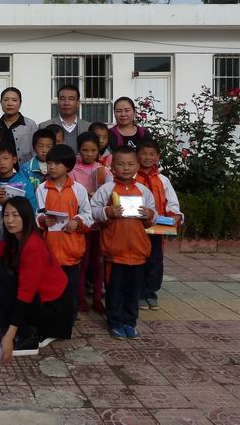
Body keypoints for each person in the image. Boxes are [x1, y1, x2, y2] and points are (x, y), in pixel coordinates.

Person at [0, 197, 74, 361]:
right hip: (38, 299)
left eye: (15, 215)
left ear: (26, 216)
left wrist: (10, 335)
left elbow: (25, 293)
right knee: (0, 276)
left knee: (1, 278)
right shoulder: (15, 239)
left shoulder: (33, 244)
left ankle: (27, 337)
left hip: (54, 308)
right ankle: (23, 328)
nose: (10, 221)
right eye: (6, 215)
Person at [91, 146, 157, 340]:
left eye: (130, 164)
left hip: (138, 252)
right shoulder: (106, 189)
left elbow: (153, 215)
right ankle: (115, 323)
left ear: (137, 166)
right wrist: (107, 212)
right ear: (112, 167)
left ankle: (130, 322)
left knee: (133, 291)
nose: (126, 168)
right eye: (121, 164)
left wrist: (149, 214)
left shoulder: (143, 191)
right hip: (115, 252)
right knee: (115, 290)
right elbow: (93, 210)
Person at [35, 144, 93, 320]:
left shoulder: (78, 189)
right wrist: (42, 220)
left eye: (56, 163)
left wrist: (77, 221)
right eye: (49, 163)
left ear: (68, 166)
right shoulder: (42, 188)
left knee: (70, 290)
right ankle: (49, 321)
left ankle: (68, 320)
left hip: (71, 251)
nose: (51, 167)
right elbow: (37, 213)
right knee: (49, 289)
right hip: (49, 250)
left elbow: (88, 215)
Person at [135, 139, 183, 311]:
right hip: (136, 227)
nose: (147, 158)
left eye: (152, 154)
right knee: (137, 259)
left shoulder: (163, 180)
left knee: (155, 261)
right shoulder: (131, 178)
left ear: (158, 157)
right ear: (136, 155)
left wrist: (175, 216)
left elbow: (171, 202)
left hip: (158, 227)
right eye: (144, 154)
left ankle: (151, 292)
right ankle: (138, 293)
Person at [71, 132, 112, 315]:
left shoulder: (104, 170)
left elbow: (110, 193)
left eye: (93, 150)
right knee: (82, 261)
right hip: (81, 222)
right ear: (79, 150)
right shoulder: (72, 169)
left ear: (99, 150)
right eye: (85, 150)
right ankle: (80, 298)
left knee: (98, 261)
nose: (88, 154)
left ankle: (97, 298)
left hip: (99, 222)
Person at [0, 142, 37, 240]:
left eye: (6, 158)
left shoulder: (24, 183)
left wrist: (7, 203)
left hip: (20, 234)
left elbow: (32, 208)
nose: (2, 162)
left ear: (14, 159)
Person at [0, 87, 38, 166]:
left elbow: (35, 152)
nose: (10, 103)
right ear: (1, 102)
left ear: (20, 103)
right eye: (6, 100)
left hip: (24, 171)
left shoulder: (30, 125)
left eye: (14, 100)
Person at [39, 85, 91, 153]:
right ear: (58, 102)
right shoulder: (44, 126)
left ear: (78, 103)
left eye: (71, 99)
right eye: (62, 99)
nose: (66, 103)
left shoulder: (88, 127)